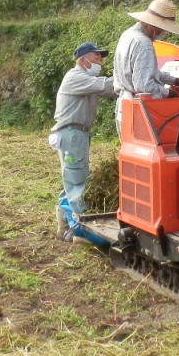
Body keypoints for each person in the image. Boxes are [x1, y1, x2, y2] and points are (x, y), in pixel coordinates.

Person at [50, 42, 117, 241]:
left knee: (72, 178)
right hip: (72, 133)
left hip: (76, 134)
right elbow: (107, 84)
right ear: (83, 60)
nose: (100, 62)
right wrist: (129, 75)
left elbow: (111, 91)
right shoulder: (76, 77)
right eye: (96, 58)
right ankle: (82, 230)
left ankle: (64, 223)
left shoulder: (87, 80)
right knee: (77, 180)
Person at [112, 0, 179, 132]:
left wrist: (174, 80)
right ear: (153, 26)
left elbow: (146, 71)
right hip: (138, 107)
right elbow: (143, 85)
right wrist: (168, 93)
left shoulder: (128, 35)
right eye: (163, 29)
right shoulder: (143, 43)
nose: (165, 33)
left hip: (124, 104)